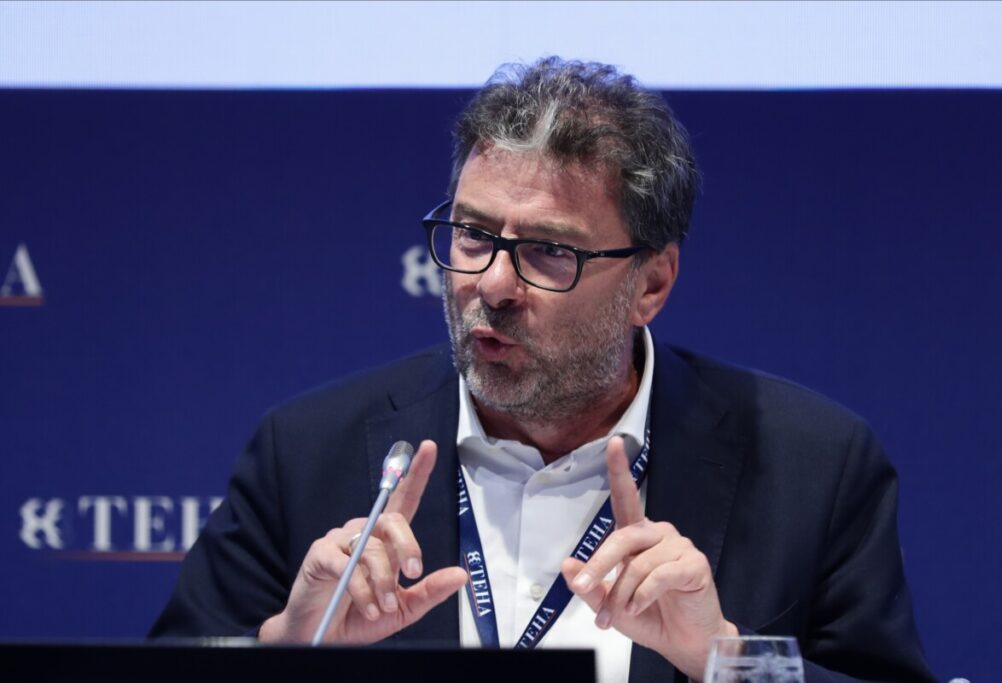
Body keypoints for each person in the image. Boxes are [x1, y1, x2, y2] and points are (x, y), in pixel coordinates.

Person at [150, 57, 936, 683]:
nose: (492, 284)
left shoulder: (813, 466)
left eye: (548, 251)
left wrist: (724, 660)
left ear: (652, 283)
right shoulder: (304, 454)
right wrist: (287, 651)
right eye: (473, 236)